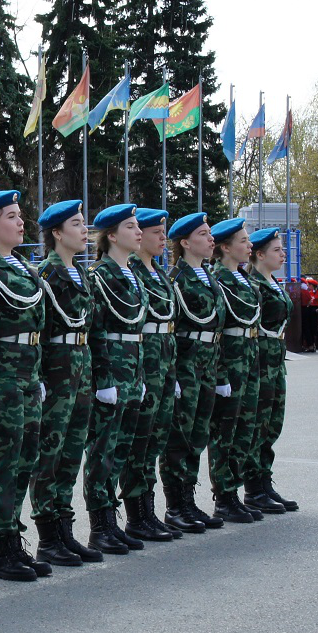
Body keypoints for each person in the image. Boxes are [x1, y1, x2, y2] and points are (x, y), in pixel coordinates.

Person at [0, 190, 53, 579]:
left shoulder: (25, 268)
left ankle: (13, 538)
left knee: (25, 463)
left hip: (26, 377)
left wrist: (36, 377)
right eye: (10, 217)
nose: (21, 223)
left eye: (20, 216)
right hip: (3, 379)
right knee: (1, 465)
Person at [29, 200, 105, 561]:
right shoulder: (46, 274)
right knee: (51, 452)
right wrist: (41, 377)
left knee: (73, 449)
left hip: (81, 367)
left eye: (84, 223)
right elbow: (39, 330)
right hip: (57, 370)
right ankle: (47, 536)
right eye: (76, 224)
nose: (84, 230)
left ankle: (65, 529)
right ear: (57, 233)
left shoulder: (83, 274)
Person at [82, 204, 148, 553]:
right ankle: (100, 525)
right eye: (130, 227)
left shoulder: (131, 274)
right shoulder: (99, 276)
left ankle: (113, 520)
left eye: (138, 227)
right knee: (102, 450)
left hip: (132, 370)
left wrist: (141, 375)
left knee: (121, 448)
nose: (138, 232)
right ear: (111, 236)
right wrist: (104, 378)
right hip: (112, 371)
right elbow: (97, 331)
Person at [158, 213, 224, 534]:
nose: (211, 239)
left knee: (198, 434)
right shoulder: (176, 279)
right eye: (203, 234)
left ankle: (189, 499)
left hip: (207, 362)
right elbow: (170, 331)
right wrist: (173, 374)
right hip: (186, 362)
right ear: (185, 242)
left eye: (210, 234)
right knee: (179, 436)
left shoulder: (208, 276)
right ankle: (175, 505)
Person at [118, 208, 180, 542]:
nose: (160, 239)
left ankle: (148, 509)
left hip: (162, 365)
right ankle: (135, 514)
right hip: (144, 365)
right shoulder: (133, 274)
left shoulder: (158, 274)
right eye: (155, 232)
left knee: (154, 440)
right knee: (137, 443)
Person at [206, 218, 264, 523]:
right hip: (231, 360)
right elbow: (219, 329)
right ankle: (224, 495)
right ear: (225, 247)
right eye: (243, 241)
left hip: (249, 358)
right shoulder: (219, 280)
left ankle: (237, 489)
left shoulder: (243, 279)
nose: (249, 245)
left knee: (246, 429)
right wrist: (222, 373)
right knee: (224, 431)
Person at [241, 229, 297, 513]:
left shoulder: (272, 282)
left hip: (276, 358)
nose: (283, 253)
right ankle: (253, 488)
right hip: (260, 358)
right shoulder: (253, 285)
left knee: (272, 423)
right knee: (257, 424)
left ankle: (264, 481)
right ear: (259, 255)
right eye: (276, 250)